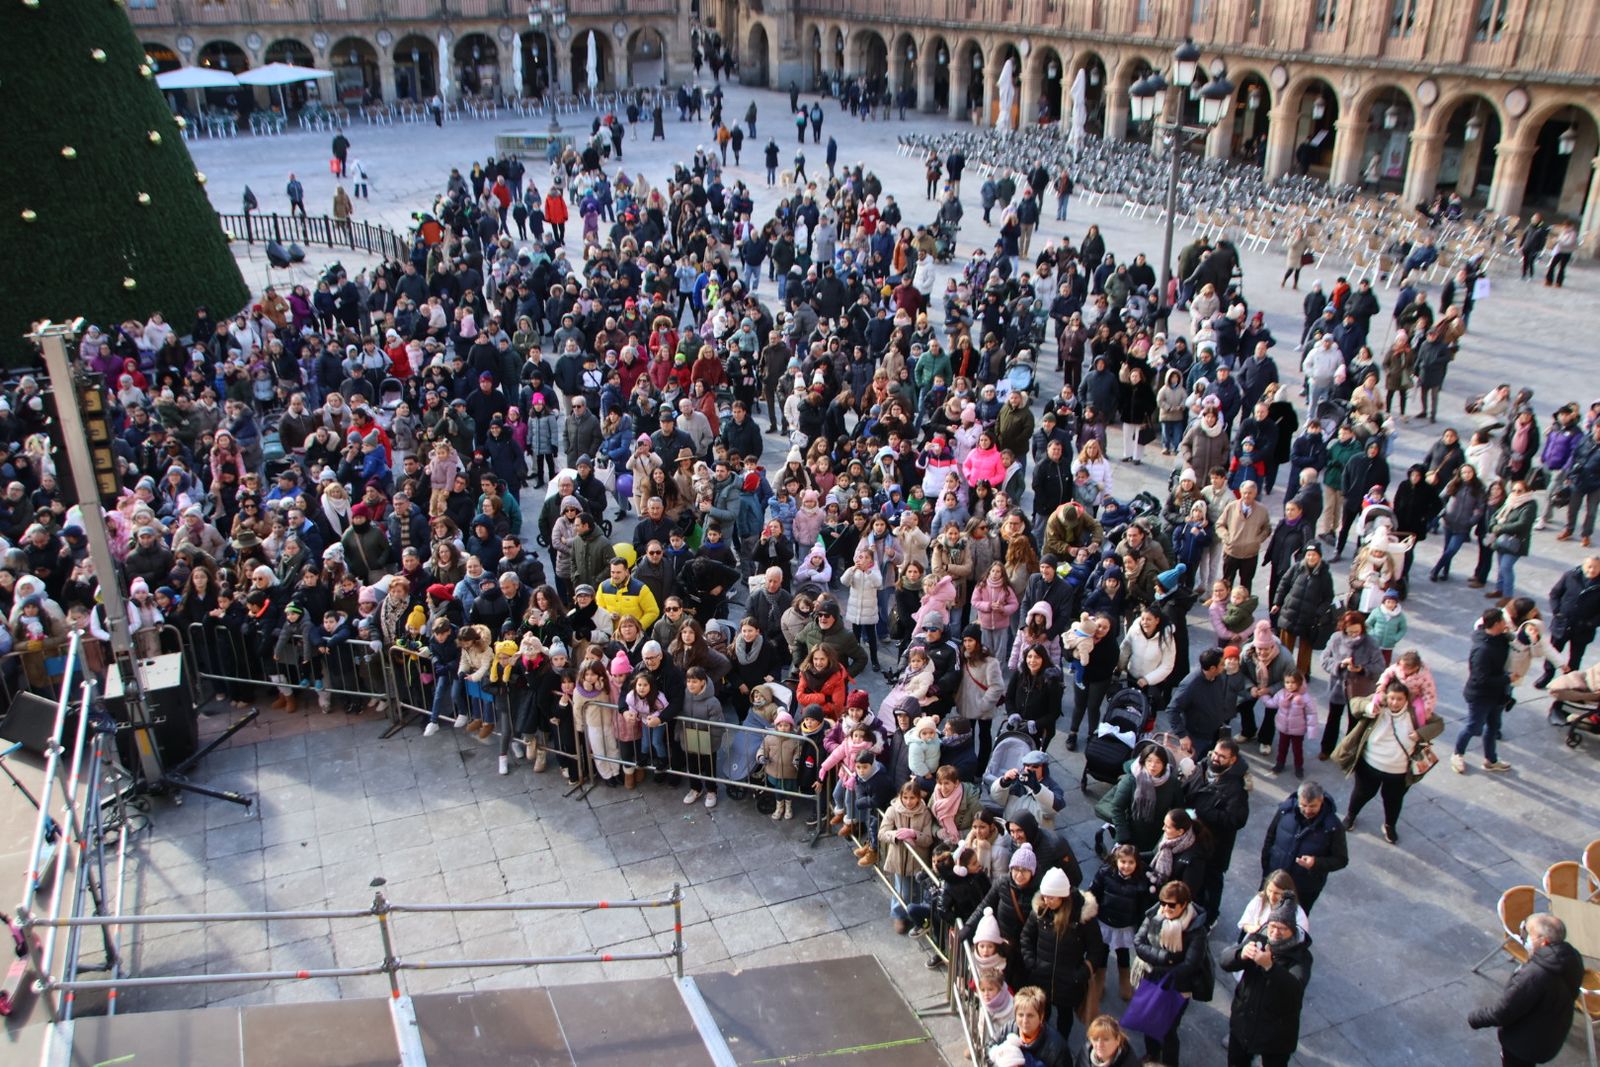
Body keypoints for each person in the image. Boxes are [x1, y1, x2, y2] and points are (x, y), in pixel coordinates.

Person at [1467, 912, 1585, 1067]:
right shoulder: (1573, 956)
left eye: (1528, 934)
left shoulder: (1533, 975)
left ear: (1543, 942)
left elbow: (1504, 1011)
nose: (1524, 938)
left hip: (1522, 1045)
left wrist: (1475, 1018)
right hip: (1551, 1034)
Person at [1335, 679, 1442, 844]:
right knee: (1362, 793)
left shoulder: (1416, 713)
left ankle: (1390, 825)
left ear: (1406, 699)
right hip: (1370, 764)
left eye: (1399, 699)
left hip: (1399, 771)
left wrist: (1421, 733)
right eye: (1392, 698)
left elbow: (1438, 724)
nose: (1395, 702)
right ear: (1387, 697)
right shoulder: (1379, 703)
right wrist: (1368, 707)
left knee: (1393, 800)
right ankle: (1351, 815)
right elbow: (1355, 704)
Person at [1219, 899, 1313, 1067]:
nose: (1275, 933)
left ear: (1292, 930)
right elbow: (1225, 962)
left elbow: (1295, 989)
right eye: (1272, 926)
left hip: (1276, 1033)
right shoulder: (1258, 939)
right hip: (1244, 1022)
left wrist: (1270, 967)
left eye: (1282, 928)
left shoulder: (1301, 956)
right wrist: (1240, 954)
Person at [1020, 866, 1107, 1047]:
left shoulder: (1082, 918)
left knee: (1065, 1017)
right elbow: (1026, 936)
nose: (1047, 901)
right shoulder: (1040, 911)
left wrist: (1081, 973)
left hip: (1069, 981)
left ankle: (1060, 1046)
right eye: (1045, 896)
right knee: (1042, 1013)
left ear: (1063, 896)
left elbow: (1096, 949)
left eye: (1051, 897)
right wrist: (1030, 962)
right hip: (1041, 975)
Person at [1130, 880, 1211, 1065]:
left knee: (1168, 1029)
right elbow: (1139, 943)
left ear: (1184, 904)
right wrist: (1167, 958)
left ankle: (1169, 1063)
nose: (1165, 908)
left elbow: (1190, 964)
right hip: (1151, 978)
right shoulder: (1154, 915)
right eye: (1163, 903)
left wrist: (1157, 964)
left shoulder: (1196, 931)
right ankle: (1152, 1054)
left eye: (1171, 905)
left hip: (1176, 986)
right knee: (1148, 1020)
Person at [1258, 781, 1347, 912]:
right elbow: (1270, 838)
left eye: (1313, 806)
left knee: (1293, 921)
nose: (1307, 810)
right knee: (1261, 914)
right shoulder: (1285, 811)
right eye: (1303, 805)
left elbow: (1341, 860)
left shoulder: (1333, 827)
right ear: (1298, 799)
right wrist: (1267, 869)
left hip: (1303, 889)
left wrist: (1316, 863)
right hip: (1274, 881)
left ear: (1321, 800)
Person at [1452, 607, 1514, 774]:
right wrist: (1508, 679)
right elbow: (1481, 678)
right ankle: (1457, 753)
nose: (1506, 623)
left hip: (1496, 695)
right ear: (1496, 624)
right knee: (1474, 727)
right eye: (1503, 621)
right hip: (1481, 696)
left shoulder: (1499, 639)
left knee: (1493, 727)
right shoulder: (1483, 650)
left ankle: (1491, 760)